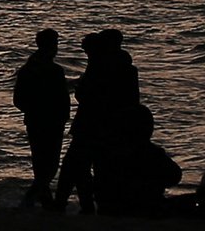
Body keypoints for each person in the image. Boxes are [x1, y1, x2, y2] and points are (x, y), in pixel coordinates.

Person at [57, 28, 142, 212]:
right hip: (113, 126)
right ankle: (97, 205)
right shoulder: (126, 68)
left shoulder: (100, 66)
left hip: (91, 124)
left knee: (74, 165)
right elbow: (133, 100)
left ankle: (73, 204)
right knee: (99, 168)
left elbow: (85, 95)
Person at [13, 28, 71, 209]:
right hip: (49, 121)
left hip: (37, 120)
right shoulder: (52, 70)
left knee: (41, 163)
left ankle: (44, 200)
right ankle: (33, 198)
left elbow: (19, 99)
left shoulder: (28, 68)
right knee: (49, 164)